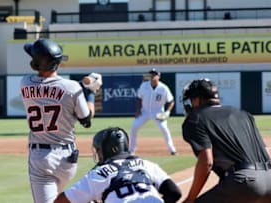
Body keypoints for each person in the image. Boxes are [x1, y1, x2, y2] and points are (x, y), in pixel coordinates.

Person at [180, 78, 271, 203]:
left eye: (191, 100)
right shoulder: (243, 114)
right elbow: (267, 154)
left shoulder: (196, 119)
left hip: (245, 183)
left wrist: (190, 198)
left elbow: (207, 162)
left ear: (197, 100)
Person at [21, 38, 92, 203]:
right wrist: (89, 92)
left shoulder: (25, 83)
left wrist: (82, 88)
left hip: (41, 158)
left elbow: (50, 87)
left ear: (36, 64)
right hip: (67, 160)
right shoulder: (72, 88)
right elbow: (86, 119)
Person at [53, 127, 182, 203]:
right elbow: (175, 193)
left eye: (98, 150)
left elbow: (61, 201)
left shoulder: (97, 174)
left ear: (106, 150)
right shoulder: (147, 164)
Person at [129, 68, 177, 155]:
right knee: (134, 127)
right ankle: (131, 150)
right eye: (151, 75)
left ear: (159, 76)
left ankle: (172, 150)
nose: (153, 76)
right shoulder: (144, 85)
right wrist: (138, 110)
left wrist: (167, 112)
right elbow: (139, 98)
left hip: (158, 112)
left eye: (155, 75)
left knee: (164, 129)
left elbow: (171, 101)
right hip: (145, 112)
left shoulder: (163, 88)